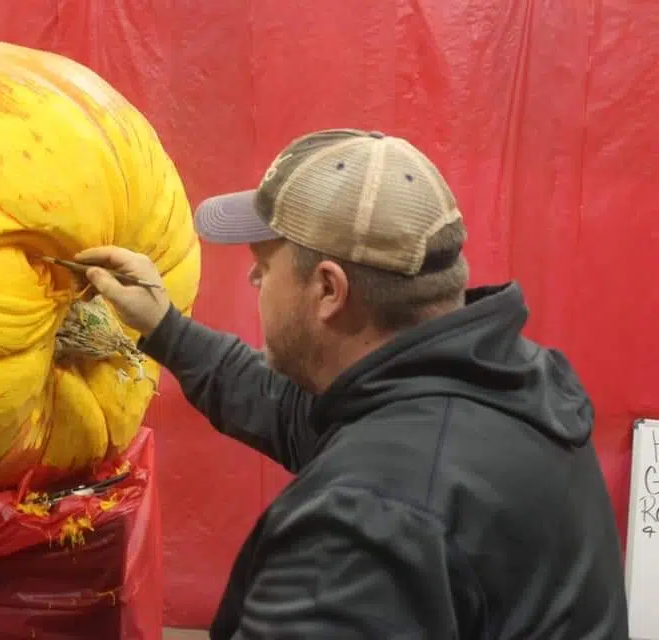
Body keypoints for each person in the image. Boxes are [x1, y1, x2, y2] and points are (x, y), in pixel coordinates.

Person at [76, 129, 628, 639]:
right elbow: (293, 414)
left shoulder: (363, 525)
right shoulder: (504, 385)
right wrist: (165, 328)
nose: (252, 279)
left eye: (264, 266)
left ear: (329, 290)